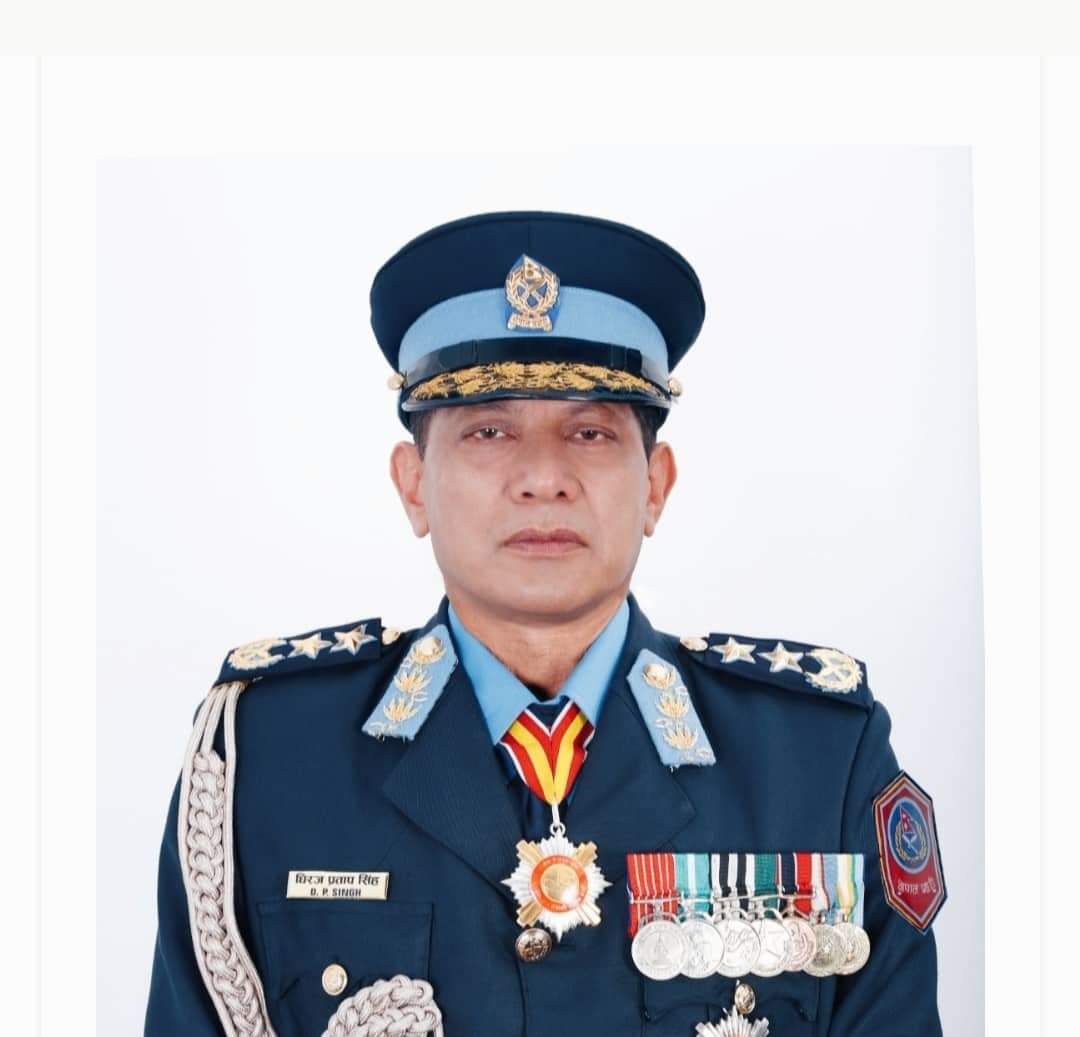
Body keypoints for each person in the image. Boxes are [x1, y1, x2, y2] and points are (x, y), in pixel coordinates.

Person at [143, 211, 945, 1037]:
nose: (542, 476)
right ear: (414, 484)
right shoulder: (268, 758)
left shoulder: (817, 759)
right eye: (489, 430)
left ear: (656, 485)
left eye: (590, 431)